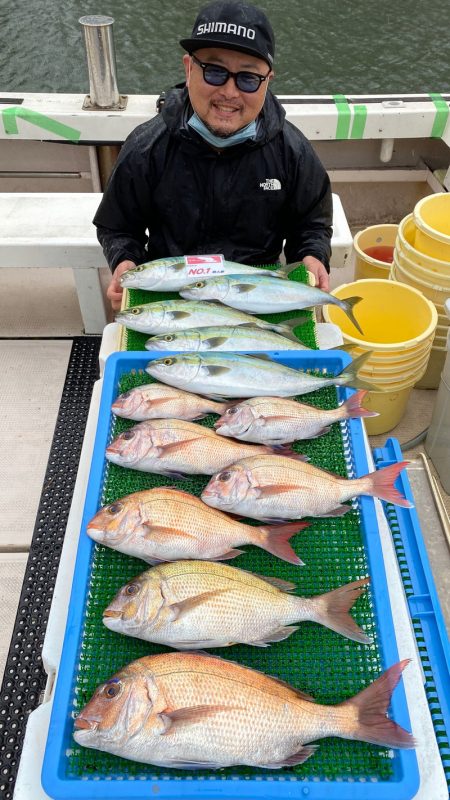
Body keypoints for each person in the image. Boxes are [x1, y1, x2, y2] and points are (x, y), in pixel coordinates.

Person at [94, 0, 333, 311]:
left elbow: (312, 222)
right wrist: (126, 260)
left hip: (257, 293)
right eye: (214, 72)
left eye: (248, 78)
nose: (230, 93)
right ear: (189, 68)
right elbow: (118, 225)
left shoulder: (293, 152)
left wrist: (312, 256)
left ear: (268, 81)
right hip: (172, 292)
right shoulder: (146, 147)